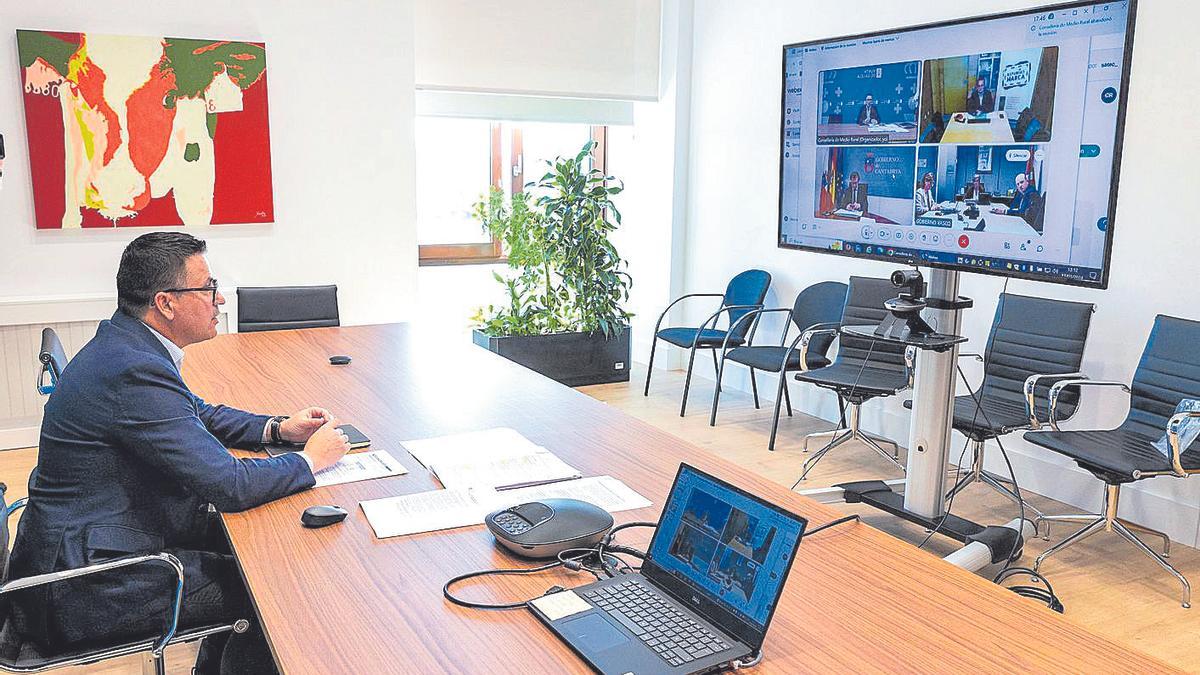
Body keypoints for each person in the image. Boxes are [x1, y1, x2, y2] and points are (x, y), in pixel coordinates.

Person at [7, 232, 352, 675]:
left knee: (259, 552)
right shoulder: (131, 367)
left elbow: (194, 411)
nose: (220, 299)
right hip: (83, 587)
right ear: (166, 303)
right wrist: (311, 460)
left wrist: (277, 428)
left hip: (98, 542)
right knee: (269, 585)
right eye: (208, 288)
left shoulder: (127, 344)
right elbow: (229, 485)